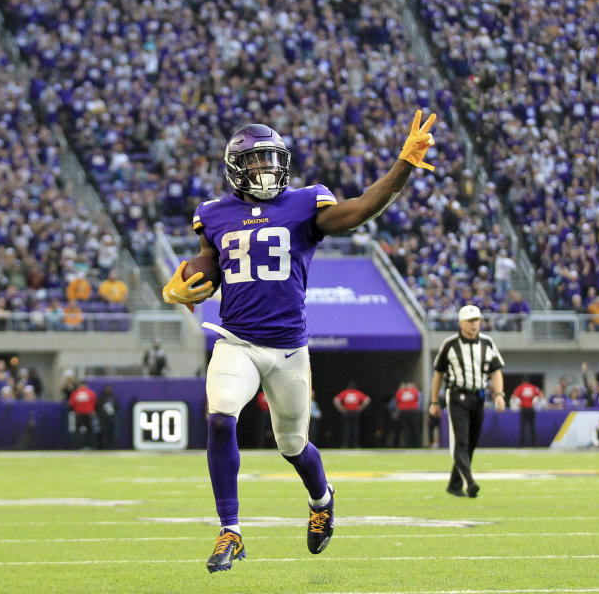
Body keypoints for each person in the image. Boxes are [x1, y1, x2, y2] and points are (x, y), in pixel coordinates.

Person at [161, 112, 439, 570]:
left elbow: (363, 207)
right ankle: (230, 530)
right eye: (256, 161)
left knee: (291, 444)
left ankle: (322, 499)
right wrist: (182, 283)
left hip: (289, 348)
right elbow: (207, 263)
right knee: (220, 416)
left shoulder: (305, 203)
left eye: (272, 159)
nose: (267, 169)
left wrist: (404, 164)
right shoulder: (213, 213)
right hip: (236, 340)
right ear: (236, 167)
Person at [429, 304, 506, 498]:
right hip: (457, 396)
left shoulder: (487, 343)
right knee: (460, 442)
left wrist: (499, 394)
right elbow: (438, 374)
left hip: (478, 396)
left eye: (477, 320)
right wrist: (434, 402)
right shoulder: (450, 345)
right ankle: (470, 482)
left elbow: (496, 371)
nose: (474, 325)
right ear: (461, 323)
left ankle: (454, 485)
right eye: (470, 321)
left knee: (471, 443)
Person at [334, 382, 371, 448]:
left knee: (346, 429)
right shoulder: (357, 393)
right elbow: (367, 399)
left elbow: (336, 399)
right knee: (355, 429)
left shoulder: (345, 392)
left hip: (346, 412)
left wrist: (340, 408)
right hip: (355, 412)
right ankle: (355, 445)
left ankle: (345, 445)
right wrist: (361, 407)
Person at [511, 379, 543, 447]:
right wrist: (536, 403)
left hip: (524, 409)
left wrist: (517, 404)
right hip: (531, 409)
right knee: (532, 427)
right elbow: (540, 394)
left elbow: (514, 396)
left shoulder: (520, 387)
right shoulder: (533, 387)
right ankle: (534, 444)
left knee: (523, 427)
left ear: (523, 382)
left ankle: (521, 444)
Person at [68, 380, 97, 449]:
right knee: (90, 431)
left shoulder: (75, 393)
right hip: (88, 414)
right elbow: (95, 403)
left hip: (79, 414)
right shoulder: (91, 393)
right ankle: (89, 446)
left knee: (77, 431)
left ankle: (77, 446)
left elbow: (71, 404)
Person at [395, 381, 422, 448]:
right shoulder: (414, 391)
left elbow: (397, 401)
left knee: (406, 429)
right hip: (413, 411)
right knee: (415, 428)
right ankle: (417, 444)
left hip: (403, 412)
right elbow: (417, 399)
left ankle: (409, 445)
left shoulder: (399, 392)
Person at [96, 384, 118, 449]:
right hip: (103, 418)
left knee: (110, 432)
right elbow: (98, 407)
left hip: (111, 418)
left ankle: (110, 446)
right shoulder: (101, 397)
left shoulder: (113, 397)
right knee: (103, 432)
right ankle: (104, 446)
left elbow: (117, 407)